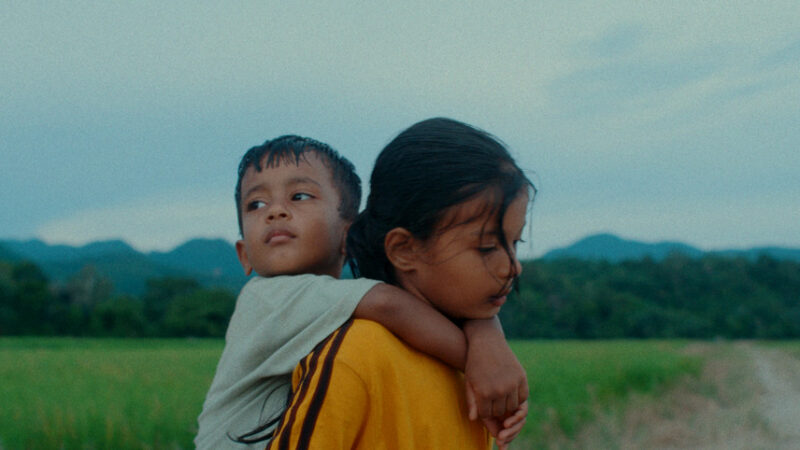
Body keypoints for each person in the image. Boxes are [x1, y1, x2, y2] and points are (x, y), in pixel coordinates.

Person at [195, 135, 528, 449]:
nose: (275, 211)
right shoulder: (268, 296)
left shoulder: (337, 306)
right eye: (255, 203)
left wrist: (486, 331)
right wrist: (481, 365)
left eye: (299, 196)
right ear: (243, 256)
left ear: (347, 234)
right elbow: (390, 304)